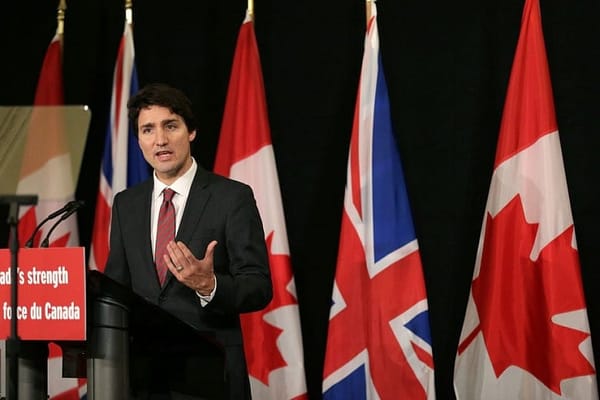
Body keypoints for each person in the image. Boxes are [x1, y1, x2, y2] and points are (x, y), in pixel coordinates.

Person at [104, 83, 272, 400]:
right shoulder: (126, 204)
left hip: (210, 378)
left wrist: (209, 285)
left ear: (191, 131)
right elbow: (117, 290)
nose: (160, 140)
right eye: (148, 130)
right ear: (139, 140)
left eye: (171, 126)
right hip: (143, 379)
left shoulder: (231, 197)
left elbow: (258, 286)